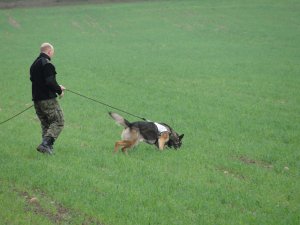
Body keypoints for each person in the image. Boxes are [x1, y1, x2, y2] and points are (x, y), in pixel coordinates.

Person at [30, 43, 66, 154]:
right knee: (59, 121)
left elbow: (40, 81)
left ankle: (46, 149)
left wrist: (57, 86)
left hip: (37, 100)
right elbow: (50, 81)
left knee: (46, 124)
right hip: (48, 100)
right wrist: (59, 90)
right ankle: (45, 144)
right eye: (53, 52)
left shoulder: (34, 64)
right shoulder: (47, 64)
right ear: (49, 51)